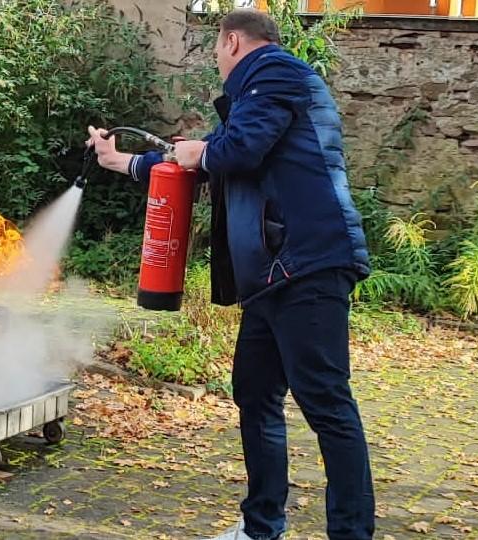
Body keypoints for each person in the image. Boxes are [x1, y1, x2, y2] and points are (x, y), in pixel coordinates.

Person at [86, 9, 375, 540]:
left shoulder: (276, 74)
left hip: (307, 265)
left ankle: (351, 534)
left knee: (327, 404)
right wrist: (121, 161)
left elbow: (236, 152)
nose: (218, 60)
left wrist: (203, 151)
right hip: (272, 275)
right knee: (256, 393)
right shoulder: (254, 97)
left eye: (218, 49)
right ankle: (262, 527)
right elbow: (200, 160)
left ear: (234, 41)